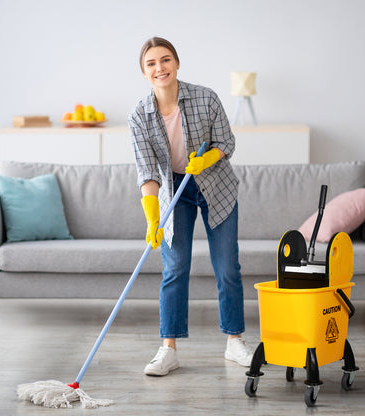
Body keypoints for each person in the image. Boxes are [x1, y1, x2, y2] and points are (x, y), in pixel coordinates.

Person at [128, 37, 252, 376]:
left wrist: (208, 157)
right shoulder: (139, 116)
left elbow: (227, 142)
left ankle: (234, 341)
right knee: (175, 267)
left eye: (165, 60)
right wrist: (153, 219)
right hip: (173, 190)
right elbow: (148, 173)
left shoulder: (205, 97)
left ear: (177, 63)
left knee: (227, 266)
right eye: (151, 63)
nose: (160, 68)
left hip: (216, 185)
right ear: (144, 72)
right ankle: (169, 349)